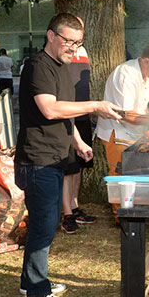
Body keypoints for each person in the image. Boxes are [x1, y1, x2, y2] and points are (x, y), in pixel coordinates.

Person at [15, 12, 121, 297]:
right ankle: (36, 291)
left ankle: (30, 279)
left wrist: (78, 141)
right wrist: (96, 105)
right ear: (51, 36)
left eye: (78, 43)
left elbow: (66, 112)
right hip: (37, 159)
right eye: (68, 42)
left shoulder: (62, 67)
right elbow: (49, 109)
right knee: (44, 224)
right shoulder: (38, 66)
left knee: (44, 223)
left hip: (56, 155)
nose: (74, 49)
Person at [95, 42, 149, 196]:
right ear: (146, 60)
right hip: (117, 133)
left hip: (134, 133)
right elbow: (124, 115)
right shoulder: (126, 74)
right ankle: (119, 218)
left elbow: (143, 106)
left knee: (134, 177)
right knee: (120, 176)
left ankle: (133, 212)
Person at [61, 39, 97, 234]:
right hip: (67, 114)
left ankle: (75, 207)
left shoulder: (83, 52)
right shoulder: (60, 52)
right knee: (68, 167)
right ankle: (66, 214)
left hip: (83, 115)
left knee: (80, 165)